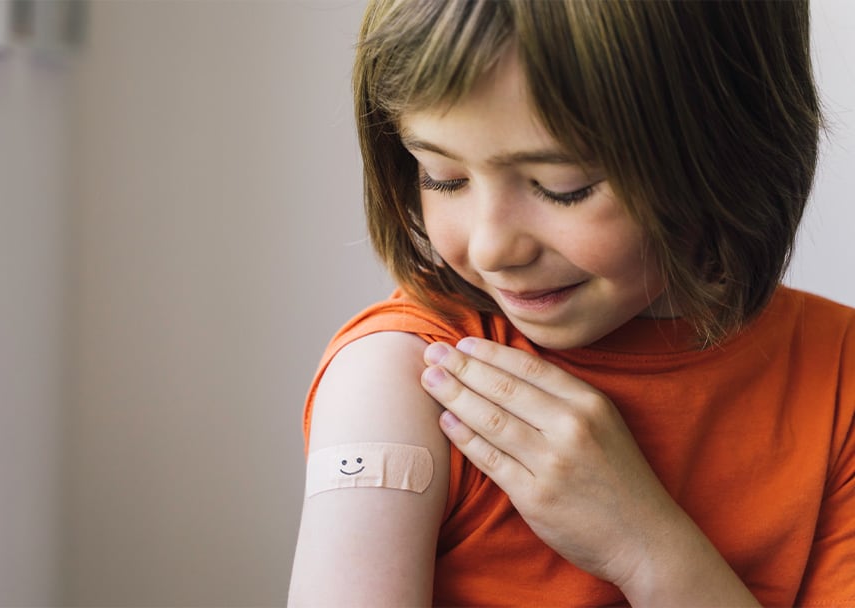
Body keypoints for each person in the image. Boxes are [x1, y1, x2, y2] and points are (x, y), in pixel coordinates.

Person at [288, 0, 855, 606]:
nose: (492, 247)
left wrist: (646, 548)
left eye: (563, 188)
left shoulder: (837, 375)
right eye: (442, 177)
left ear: (729, 146)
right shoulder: (399, 377)